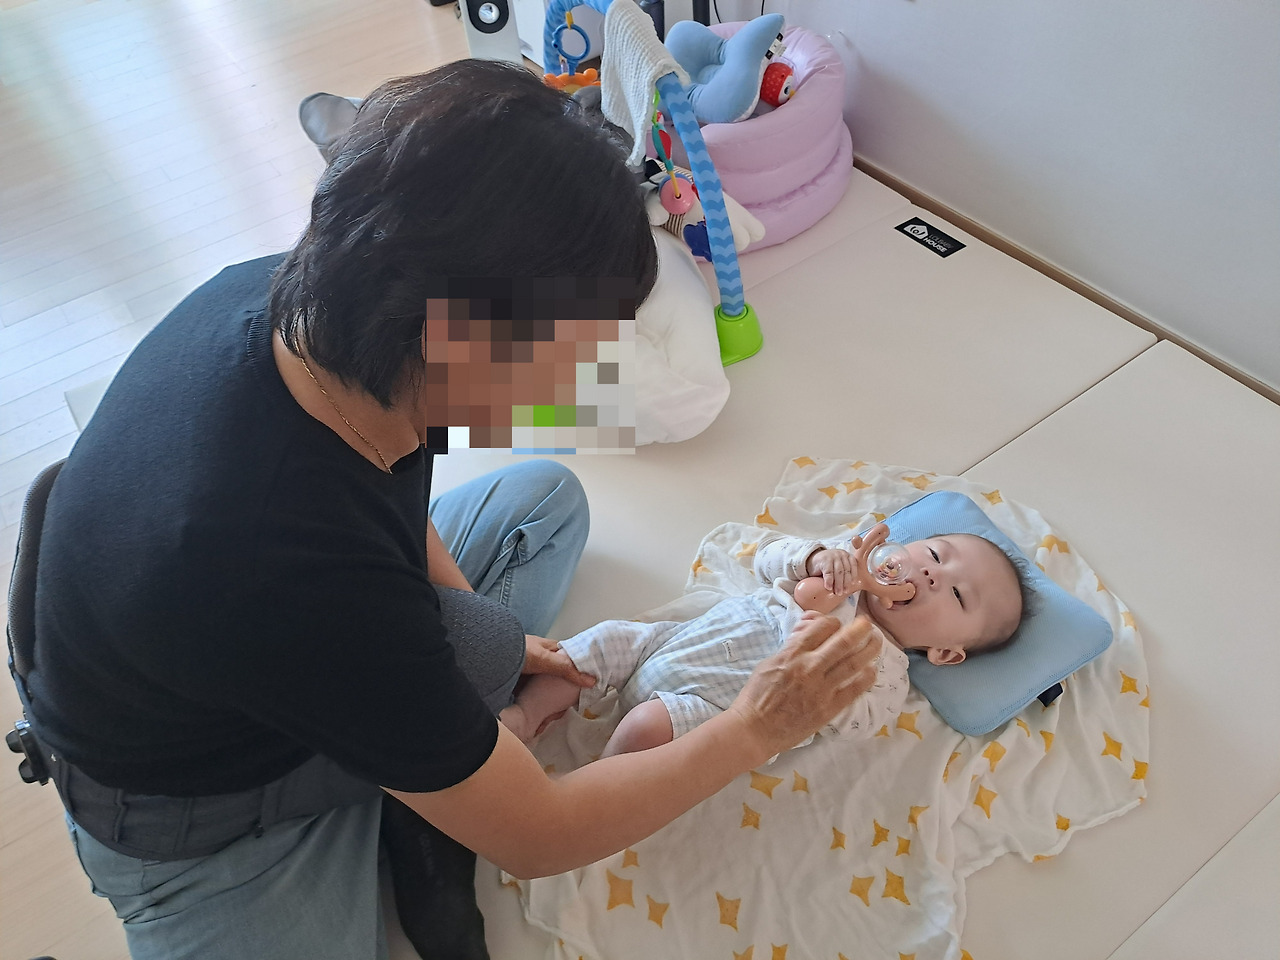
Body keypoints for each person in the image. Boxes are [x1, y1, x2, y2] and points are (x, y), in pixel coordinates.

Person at [20, 61, 883, 960]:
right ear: (453, 334)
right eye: (568, 353)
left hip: (262, 635)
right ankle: (421, 787)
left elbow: (384, 493)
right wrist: (757, 726)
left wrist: (474, 639)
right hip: (192, 801)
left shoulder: (325, 311)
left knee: (542, 503)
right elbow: (540, 837)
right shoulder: (289, 570)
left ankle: (425, 773)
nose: (580, 379)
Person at [501, 522, 1029, 757]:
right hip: (675, 642)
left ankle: (600, 785)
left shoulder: (884, 669)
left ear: (945, 652)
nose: (932, 575)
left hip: (717, 708)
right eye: (934, 555)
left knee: (646, 728)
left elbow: (856, 724)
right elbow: (766, 557)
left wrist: (818, 644)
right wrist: (816, 558)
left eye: (957, 595)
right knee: (599, 644)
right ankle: (526, 717)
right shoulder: (840, 562)